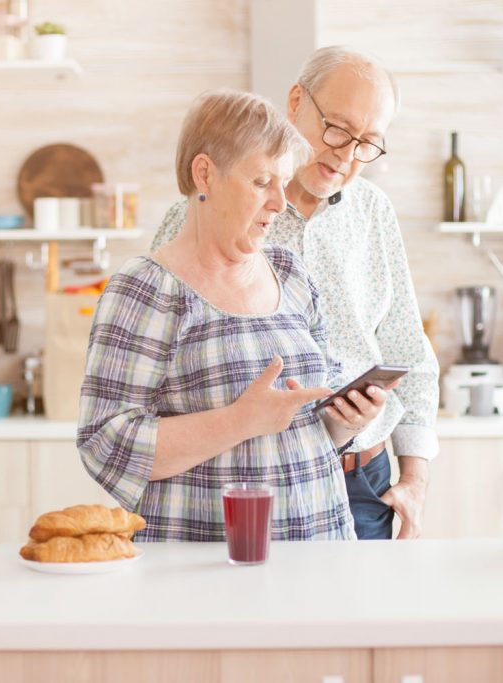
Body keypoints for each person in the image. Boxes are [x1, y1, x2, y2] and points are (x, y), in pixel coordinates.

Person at [78, 90, 396, 542]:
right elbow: (104, 445)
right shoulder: (146, 288)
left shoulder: (290, 273)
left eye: (284, 183)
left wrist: (345, 420)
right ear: (205, 173)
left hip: (319, 549)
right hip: (201, 570)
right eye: (262, 182)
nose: (280, 202)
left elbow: (306, 429)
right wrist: (239, 421)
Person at [152, 46, 439, 540]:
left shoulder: (372, 211)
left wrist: (414, 479)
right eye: (337, 129)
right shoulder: (211, 209)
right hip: (248, 482)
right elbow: (164, 375)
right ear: (296, 101)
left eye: (367, 143)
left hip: (362, 481)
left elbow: (408, 351)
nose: (346, 156)